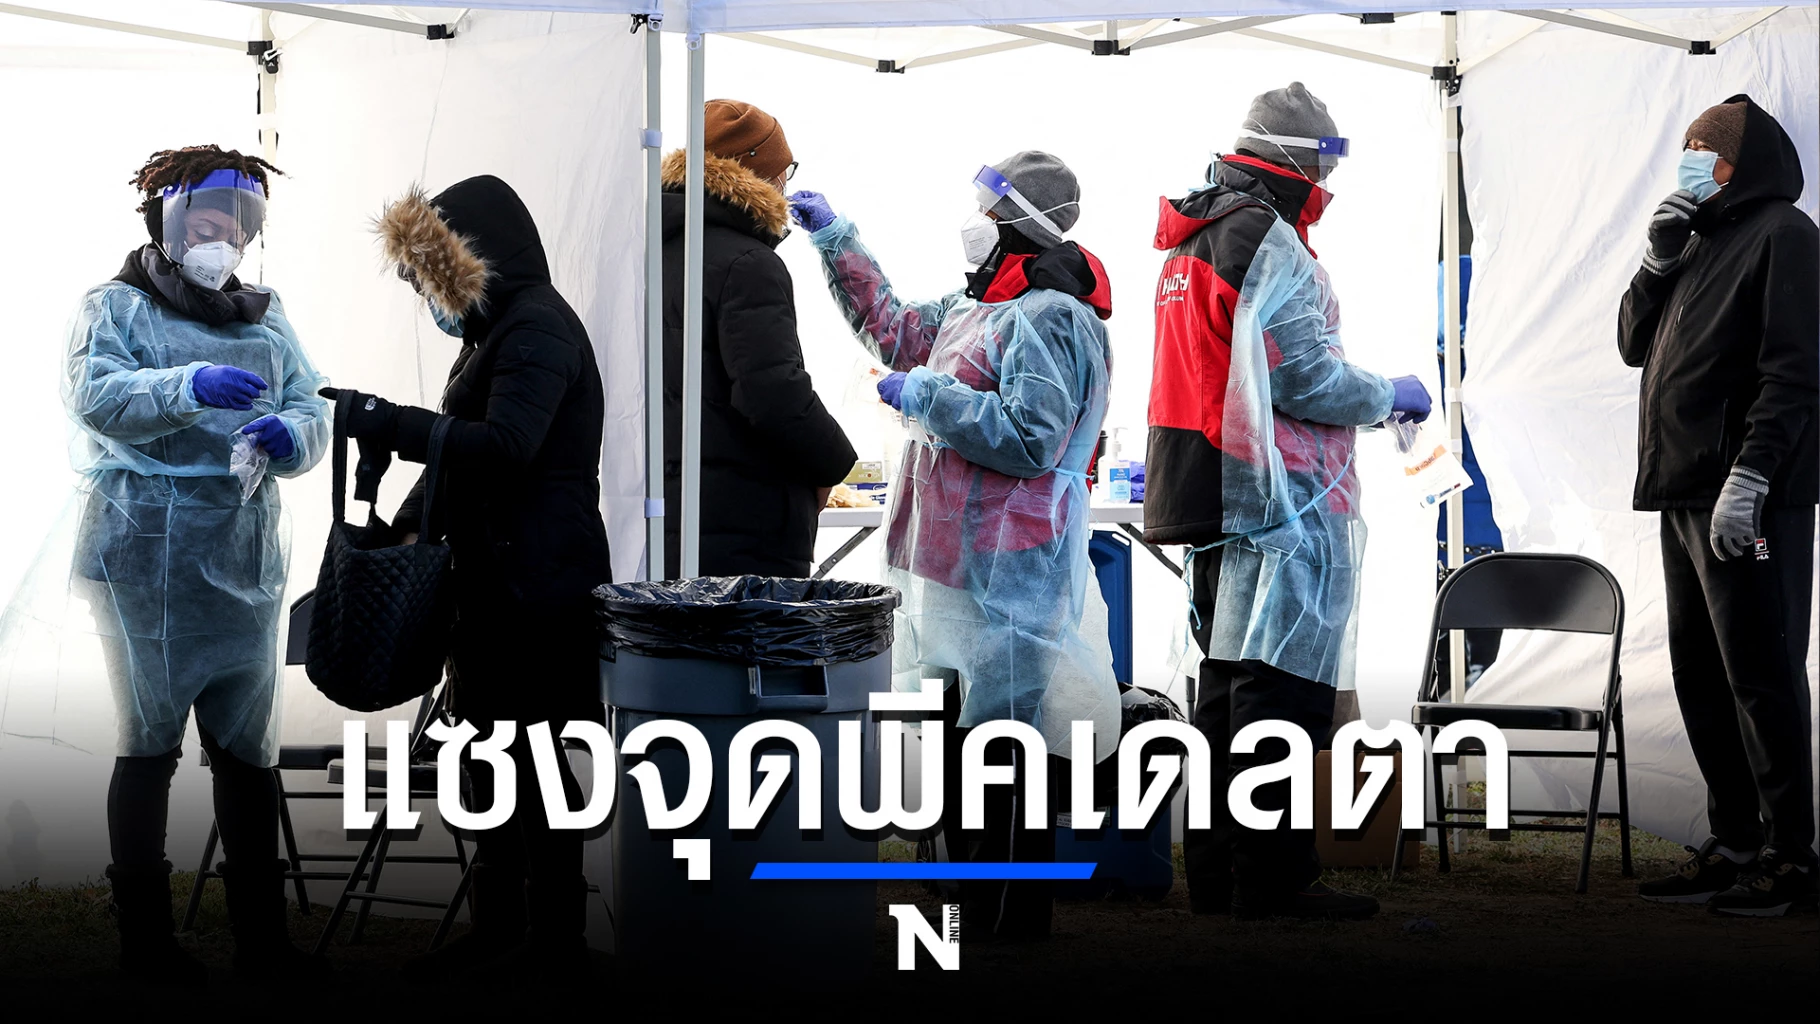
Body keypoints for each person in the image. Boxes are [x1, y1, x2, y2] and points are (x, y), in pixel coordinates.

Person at [789, 151, 1120, 940]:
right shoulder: (980, 306)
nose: (975, 222)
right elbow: (898, 331)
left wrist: (929, 397)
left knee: (1003, 747)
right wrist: (836, 240)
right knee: (956, 742)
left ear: (1021, 223)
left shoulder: (1052, 318)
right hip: (949, 564)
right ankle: (966, 902)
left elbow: (1031, 439)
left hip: (1012, 566)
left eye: (988, 209)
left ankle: (1007, 918)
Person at [1143, 84, 1432, 920]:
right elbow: (1303, 377)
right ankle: (1273, 881)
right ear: (1294, 157)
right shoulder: (1265, 236)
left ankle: (1220, 878)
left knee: (1225, 692)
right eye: (1326, 159)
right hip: (1281, 499)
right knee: (1281, 696)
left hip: (1211, 489)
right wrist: (1388, 393)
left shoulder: (1196, 233)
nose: (1329, 178)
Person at [325, 175, 612, 975]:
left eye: (428, 278)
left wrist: (391, 423)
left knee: (541, 764)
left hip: (541, 587)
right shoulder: (490, 336)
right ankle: (498, 928)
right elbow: (459, 453)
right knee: (486, 758)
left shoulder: (539, 328)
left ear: (470, 260)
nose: (426, 297)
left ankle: (556, 941)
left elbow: (508, 447)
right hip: (492, 585)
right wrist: (405, 523)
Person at [66, 145, 331, 981]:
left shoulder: (265, 316)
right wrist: (186, 386)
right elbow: (96, 396)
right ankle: (146, 943)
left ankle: (263, 942)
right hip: (146, 552)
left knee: (247, 751)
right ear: (168, 223)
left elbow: (309, 403)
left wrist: (292, 435)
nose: (222, 240)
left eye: (236, 227)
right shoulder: (117, 306)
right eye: (207, 223)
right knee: (148, 744)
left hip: (243, 560)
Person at [1622, 97, 1818, 916]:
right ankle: (1735, 840)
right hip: (1682, 489)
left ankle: (1791, 856)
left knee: (1761, 676)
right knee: (1701, 676)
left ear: (1739, 163)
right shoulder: (1697, 239)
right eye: (1688, 143)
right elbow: (1634, 344)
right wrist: (1655, 262)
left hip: (1745, 496)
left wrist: (1754, 476)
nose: (1690, 156)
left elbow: (1795, 370)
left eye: (1704, 146)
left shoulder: (1785, 235)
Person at [660, 99, 856, 578]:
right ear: (758, 173)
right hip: (744, 520)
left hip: (671, 506)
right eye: (783, 169)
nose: (786, 181)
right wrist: (832, 461)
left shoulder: (655, 248)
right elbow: (771, 392)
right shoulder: (749, 263)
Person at [1433, 255, 1504, 689]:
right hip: (1494, 545)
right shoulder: (1502, 369)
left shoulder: (1428, 374)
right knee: (1487, 667)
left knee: (1445, 668)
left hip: (1448, 542)